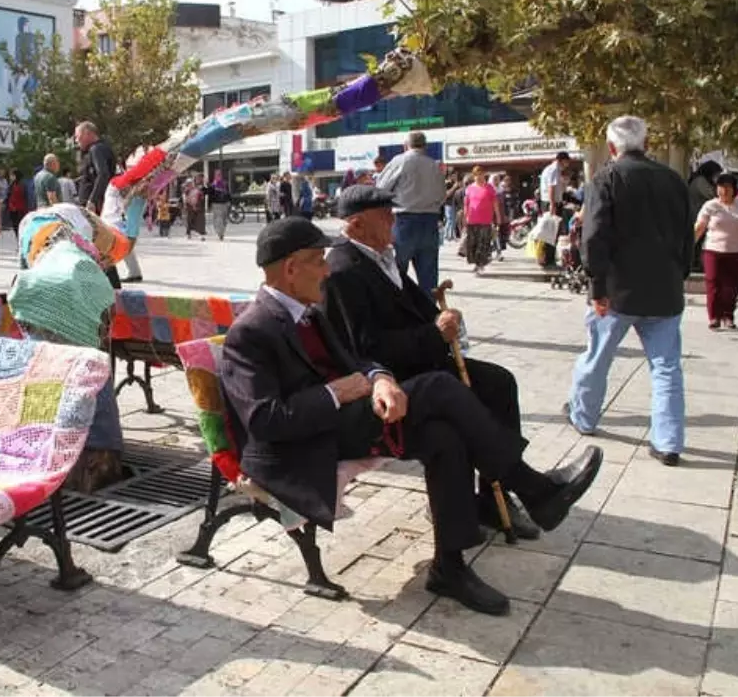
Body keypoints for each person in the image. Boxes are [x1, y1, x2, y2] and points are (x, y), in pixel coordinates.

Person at [222, 216, 603, 614]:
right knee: (437, 385)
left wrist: (381, 378)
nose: (327, 269)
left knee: (444, 437)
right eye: (319, 260)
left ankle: (449, 567)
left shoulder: (308, 311)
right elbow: (265, 421)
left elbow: (357, 359)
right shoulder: (251, 331)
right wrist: (333, 394)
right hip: (303, 447)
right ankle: (534, 489)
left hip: (344, 421)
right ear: (290, 269)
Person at [322, 186, 542, 539]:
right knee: (455, 404)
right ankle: (526, 485)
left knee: (498, 383)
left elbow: (416, 307)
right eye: (385, 216)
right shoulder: (343, 270)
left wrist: (444, 319)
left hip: (418, 361)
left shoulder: (381, 257)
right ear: (357, 224)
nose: (393, 222)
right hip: (392, 377)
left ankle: (494, 494)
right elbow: (364, 348)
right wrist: (432, 335)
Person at [567, 116, 693, 466]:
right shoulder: (673, 180)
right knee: (667, 367)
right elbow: (687, 235)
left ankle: (584, 417)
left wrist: (597, 285)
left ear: (611, 148)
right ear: (646, 144)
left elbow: (593, 238)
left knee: (597, 357)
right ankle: (668, 442)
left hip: (618, 291)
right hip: (665, 289)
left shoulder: (605, 179)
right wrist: (679, 273)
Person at [376, 131, 445, 295]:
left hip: (403, 220)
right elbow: (442, 195)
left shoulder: (400, 161)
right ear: (425, 146)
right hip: (429, 220)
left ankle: (398, 310)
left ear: (405, 145)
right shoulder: (434, 165)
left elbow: (380, 189)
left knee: (397, 272)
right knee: (428, 275)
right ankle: (429, 313)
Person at [695, 172, 738, 330]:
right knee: (713, 282)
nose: (724, 190)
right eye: (720, 187)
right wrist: (687, 245)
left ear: (734, 189)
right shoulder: (710, 205)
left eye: (727, 187)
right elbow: (699, 227)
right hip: (713, 250)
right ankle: (713, 317)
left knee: (731, 286)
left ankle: (728, 315)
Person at [462, 167, 500, 274]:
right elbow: (466, 204)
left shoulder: (490, 188)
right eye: (477, 174)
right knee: (473, 243)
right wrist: (465, 218)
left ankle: (481, 264)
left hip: (485, 220)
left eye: (481, 174)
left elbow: (495, 203)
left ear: (484, 175)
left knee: (483, 243)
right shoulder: (469, 188)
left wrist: (498, 218)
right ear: (474, 176)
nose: (479, 177)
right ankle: (475, 263)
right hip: (472, 220)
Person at [74, 121, 116, 215]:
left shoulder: (96, 149)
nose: (76, 140)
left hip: (93, 206)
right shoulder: (101, 148)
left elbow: (103, 174)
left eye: (78, 136)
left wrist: (92, 200)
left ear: (87, 133)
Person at [5, 169, 28, 239]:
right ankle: (18, 241)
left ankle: (21, 241)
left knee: (21, 226)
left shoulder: (23, 183)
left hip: (21, 209)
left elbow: (25, 195)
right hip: (12, 208)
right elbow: (9, 195)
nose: (11, 177)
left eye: (12, 175)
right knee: (15, 226)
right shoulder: (12, 184)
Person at [208, 170, 231, 240]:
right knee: (218, 219)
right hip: (216, 204)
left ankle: (222, 232)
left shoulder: (225, 184)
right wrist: (209, 205)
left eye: (219, 175)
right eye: (217, 175)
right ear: (215, 176)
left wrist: (229, 201)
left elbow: (228, 193)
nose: (218, 176)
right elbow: (210, 196)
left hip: (224, 204)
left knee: (224, 220)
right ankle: (220, 233)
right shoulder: (212, 185)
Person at [184, 174, 206, 240]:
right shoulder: (187, 190)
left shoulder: (198, 188)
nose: (190, 184)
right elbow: (185, 198)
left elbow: (201, 196)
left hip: (198, 207)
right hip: (190, 207)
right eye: (188, 184)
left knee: (199, 221)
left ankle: (201, 235)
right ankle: (189, 234)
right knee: (189, 221)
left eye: (191, 183)